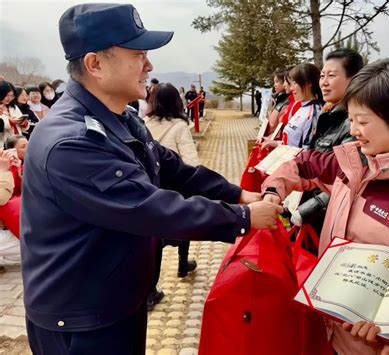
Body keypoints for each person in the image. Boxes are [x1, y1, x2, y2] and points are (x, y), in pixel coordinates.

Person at [20, 4, 282, 354]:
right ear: (95, 64)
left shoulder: (119, 117)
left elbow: (170, 166)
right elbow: (148, 208)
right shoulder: (72, 141)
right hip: (83, 317)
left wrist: (239, 194)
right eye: (138, 54)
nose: (149, 66)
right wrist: (243, 219)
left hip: (116, 298)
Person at [262, 58, 389, 355]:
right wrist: (273, 191)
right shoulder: (355, 160)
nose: (354, 130)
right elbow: (304, 165)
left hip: (367, 346)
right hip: (327, 327)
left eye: (363, 121)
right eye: (351, 119)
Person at [293, 49, 364, 231]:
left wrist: (304, 211)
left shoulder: (355, 123)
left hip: (331, 217)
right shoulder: (328, 113)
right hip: (315, 208)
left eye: (331, 76)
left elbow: (347, 180)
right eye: (322, 75)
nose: (324, 82)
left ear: (354, 79)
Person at [144, 82, 200, 309]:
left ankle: (150, 291)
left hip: (151, 187)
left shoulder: (144, 124)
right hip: (175, 185)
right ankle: (182, 266)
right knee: (183, 225)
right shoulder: (179, 126)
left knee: (153, 240)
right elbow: (191, 161)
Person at [261, 63, 321, 149]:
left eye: (295, 83)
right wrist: (274, 143)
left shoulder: (314, 114)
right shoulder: (301, 107)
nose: (291, 88)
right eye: (291, 83)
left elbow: (307, 154)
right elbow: (292, 143)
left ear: (309, 83)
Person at [0, 81, 30, 147]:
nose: (9, 98)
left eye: (12, 96)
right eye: (7, 95)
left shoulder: (13, 107)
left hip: (17, 141)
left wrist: (23, 123)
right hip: (3, 143)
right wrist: (10, 122)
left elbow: (25, 126)